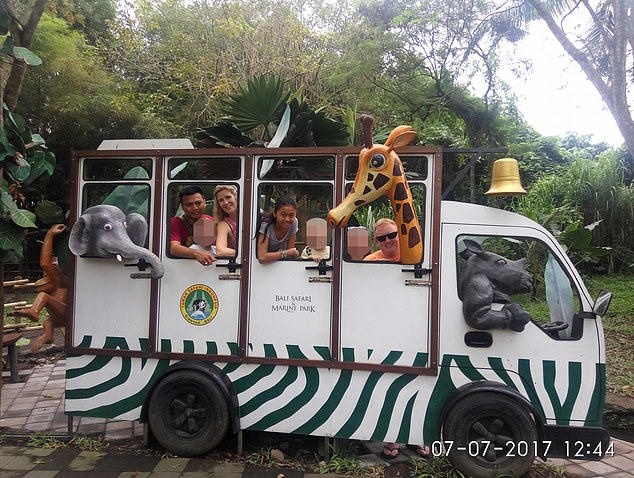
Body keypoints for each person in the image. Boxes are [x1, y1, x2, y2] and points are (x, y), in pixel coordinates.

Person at [170, 185, 216, 266]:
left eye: (198, 203)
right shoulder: (175, 222)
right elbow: (174, 248)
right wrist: (196, 253)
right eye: (189, 204)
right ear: (183, 207)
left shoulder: (210, 220)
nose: (195, 208)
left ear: (204, 203)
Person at [256, 196, 300, 263]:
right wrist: (286, 253)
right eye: (283, 215)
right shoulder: (266, 224)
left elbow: (291, 249)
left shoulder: (294, 222)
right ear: (275, 213)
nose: (287, 220)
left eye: (291, 215)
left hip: (276, 262)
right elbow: (262, 257)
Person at [213, 185, 238, 256]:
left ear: (236, 197)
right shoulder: (224, 224)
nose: (225, 202)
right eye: (221, 200)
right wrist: (246, 253)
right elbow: (221, 251)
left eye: (228, 197)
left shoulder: (255, 215)